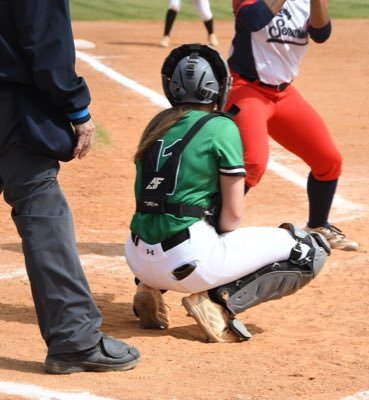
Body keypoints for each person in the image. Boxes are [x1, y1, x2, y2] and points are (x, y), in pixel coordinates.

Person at [124, 43, 330, 343]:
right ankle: (218, 303)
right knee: (310, 250)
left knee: (166, 211)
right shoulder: (221, 127)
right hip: (188, 260)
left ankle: (148, 288)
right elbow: (232, 217)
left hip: (137, 255)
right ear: (218, 88)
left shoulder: (156, 125)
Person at [0, 0, 140, 374]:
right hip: (11, 108)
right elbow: (46, 44)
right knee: (42, 211)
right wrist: (77, 109)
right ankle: (74, 339)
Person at [224, 0, 359, 251]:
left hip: (283, 94)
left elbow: (320, 33)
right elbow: (253, 19)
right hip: (245, 88)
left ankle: (318, 226)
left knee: (328, 160)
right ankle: (207, 230)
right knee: (252, 163)